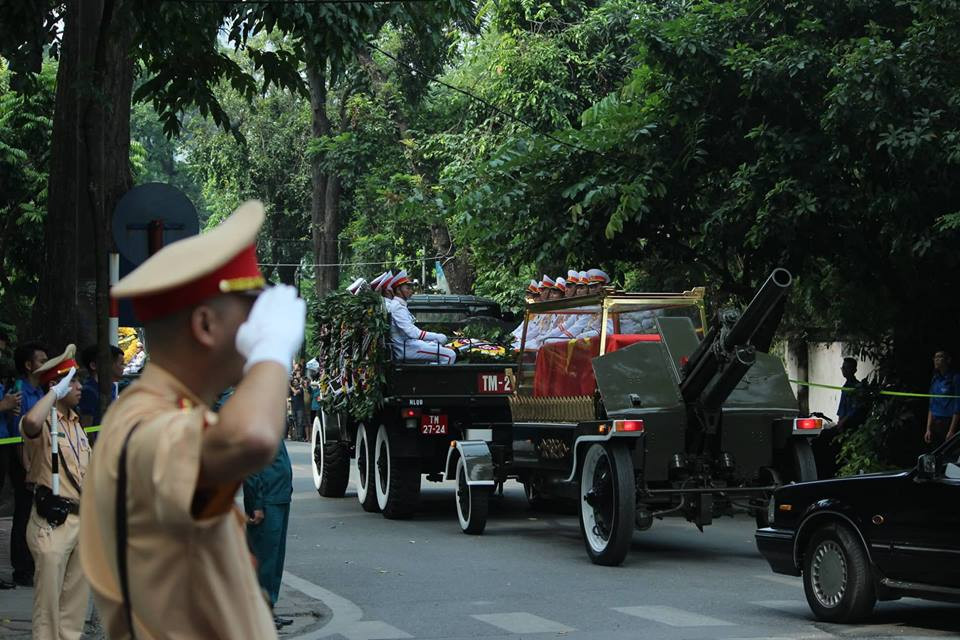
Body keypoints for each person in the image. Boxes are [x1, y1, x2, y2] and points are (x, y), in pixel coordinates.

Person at [79, 200, 306, 639]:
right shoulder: (141, 424)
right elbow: (252, 438)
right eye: (251, 309)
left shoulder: (172, 414)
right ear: (205, 325)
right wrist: (274, 348)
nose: (260, 322)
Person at [20, 346, 88, 640]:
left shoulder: (77, 424)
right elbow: (30, 423)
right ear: (56, 385)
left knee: (74, 609)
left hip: (80, 520)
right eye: (72, 381)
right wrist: (52, 396)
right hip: (53, 522)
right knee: (47, 609)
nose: (79, 387)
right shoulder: (45, 422)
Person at [7, 341, 49, 587]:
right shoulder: (19, 389)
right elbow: (17, 430)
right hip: (23, 458)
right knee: (23, 513)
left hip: (39, 457)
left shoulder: (42, 391)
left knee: (35, 511)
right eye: (42, 360)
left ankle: (33, 564)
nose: (46, 364)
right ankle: (21, 569)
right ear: (28, 364)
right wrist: (24, 461)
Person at [242, 437, 293, 630]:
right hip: (267, 501)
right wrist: (256, 504)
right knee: (265, 560)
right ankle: (259, 613)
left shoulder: (269, 425)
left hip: (279, 496)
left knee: (275, 560)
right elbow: (251, 469)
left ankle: (269, 608)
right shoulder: (256, 426)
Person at [389, 270, 456, 364]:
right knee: (450, 355)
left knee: (437, 345)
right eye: (407, 288)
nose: (411, 291)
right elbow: (412, 333)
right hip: (406, 349)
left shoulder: (401, 305)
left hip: (410, 344)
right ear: (398, 290)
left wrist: (434, 338)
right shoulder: (397, 307)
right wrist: (436, 336)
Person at [77, 344, 125, 428]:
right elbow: (87, 428)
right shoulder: (89, 392)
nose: (123, 368)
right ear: (94, 366)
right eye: (121, 364)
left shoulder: (112, 387)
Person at [925, 350, 960, 447]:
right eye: (935, 358)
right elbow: (932, 405)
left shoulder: (955, 378)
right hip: (935, 425)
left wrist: (952, 430)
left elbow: (958, 406)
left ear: (948, 360)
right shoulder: (935, 379)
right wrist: (928, 428)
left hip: (948, 423)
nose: (936, 360)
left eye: (940, 357)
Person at [289, 362, 307, 441]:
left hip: (300, 405)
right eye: (295, 369)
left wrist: (291, 386)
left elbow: (297, 391)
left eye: (297, 369)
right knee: (294, 420)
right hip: (293, 403)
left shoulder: (302, 380)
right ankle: (295, 436)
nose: (296, 370)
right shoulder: (292, 379)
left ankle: (300, 436)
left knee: (300, 421)